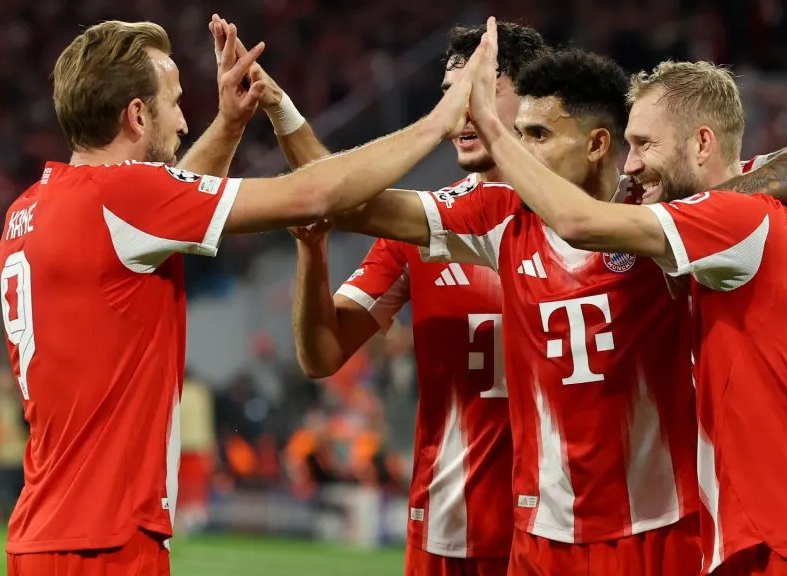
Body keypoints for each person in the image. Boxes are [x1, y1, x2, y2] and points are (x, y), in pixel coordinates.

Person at [321, 22, 787, 574]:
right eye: (519, 133)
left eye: (537, 135)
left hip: (665, 521)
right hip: (536, 528)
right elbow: (342, 203)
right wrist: (285, 121)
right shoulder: (497, 217)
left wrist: (714, 204)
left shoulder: (657, 214)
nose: (634, 161)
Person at [0, 17, 485, 576]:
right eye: (176, 103)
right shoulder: (123, 198)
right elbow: (313, 194)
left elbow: (164, 211)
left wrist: (230, 125)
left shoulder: (30, 209)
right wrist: (437, 122)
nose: (183, 121)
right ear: (136, 115)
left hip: (45, 531)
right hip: (102, 541)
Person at [461, 22, 787, 576]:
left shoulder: (733, 219)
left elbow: (575, 221)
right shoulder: (750, 220)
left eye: (644, 144)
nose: (631, 165)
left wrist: (492, 132)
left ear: (702, 142)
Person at [235, 19, 551, 575]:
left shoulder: (591, 222)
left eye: (476, 92)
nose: (459, 113)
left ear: (533, 102)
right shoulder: (421, 231)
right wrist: (313, 254)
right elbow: (322, 354)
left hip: (565, 524)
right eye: (448, 95)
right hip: (451, 528)